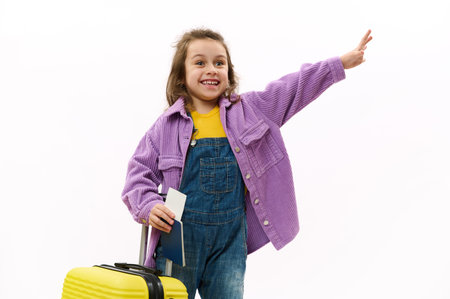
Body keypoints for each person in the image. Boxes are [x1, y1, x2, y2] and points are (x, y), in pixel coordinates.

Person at [122, 28, 372, 299]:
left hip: (229, 243)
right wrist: (148, 205)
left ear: (229, 72)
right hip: (178, 241)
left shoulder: (251, 109)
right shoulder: (165, 127)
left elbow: (293, 87)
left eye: (220, 63)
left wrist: (339, 64)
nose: (211, 69)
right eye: (199, 62)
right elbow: (138, 175)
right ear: (181, 75)